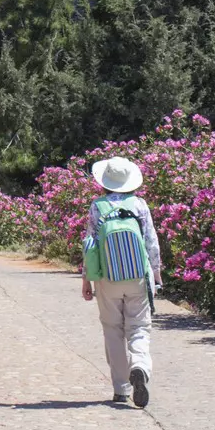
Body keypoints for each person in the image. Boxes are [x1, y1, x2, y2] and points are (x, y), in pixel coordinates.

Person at [80, 156, 162, 408]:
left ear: (104, 182)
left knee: (112, 330)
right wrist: (156, 273)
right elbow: (151, 242)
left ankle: (120, 388)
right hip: (138, 276)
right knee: (138, 327)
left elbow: (90, 245)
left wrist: (86, 280)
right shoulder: (139, 205)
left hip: (107, 277)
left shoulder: (97, 206)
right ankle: (139, 366)